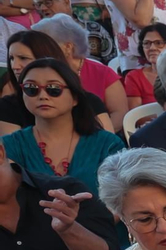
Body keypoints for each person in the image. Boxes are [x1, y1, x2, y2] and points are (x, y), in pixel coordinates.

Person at [1, 57, 123, 196]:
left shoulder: (107, 144)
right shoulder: (10, 146)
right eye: (31, 88)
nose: (42, 96)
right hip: (33, 218)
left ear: (75, 97)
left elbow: (123, 201)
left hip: (99, 217)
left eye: (53, 89)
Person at [121, 22, 166, 109]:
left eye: (158, 43)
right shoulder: (134, 77)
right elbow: (136, 117)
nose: (152, 48)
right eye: (147, 43)